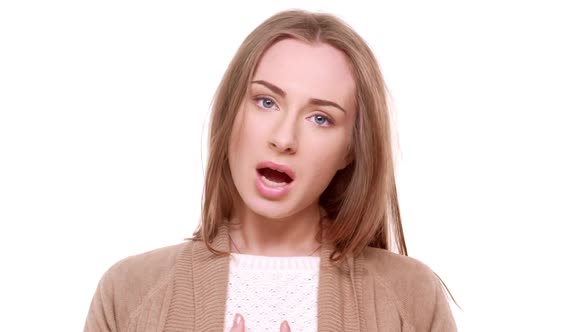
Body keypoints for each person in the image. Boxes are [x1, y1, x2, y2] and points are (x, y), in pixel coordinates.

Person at [84, 9, 457, 332]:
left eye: (321, 118)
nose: (284, 138)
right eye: (266, 101)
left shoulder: (412, 298)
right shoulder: (128, 292)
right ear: (231, 114)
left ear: (350, 150)